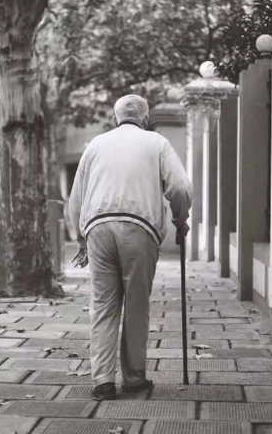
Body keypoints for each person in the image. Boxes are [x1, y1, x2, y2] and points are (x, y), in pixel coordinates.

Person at [69, 94, 193, 401]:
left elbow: (76, 198)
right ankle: (134, 379)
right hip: (140, 228)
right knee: (137, 305)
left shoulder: (95, 145)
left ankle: (102, 382)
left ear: (115, 118)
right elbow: (179, 187)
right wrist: (180, 218)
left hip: (98, 227)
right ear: (146, 118)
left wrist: (81, 238)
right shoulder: (157, 143)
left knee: (103, 306)